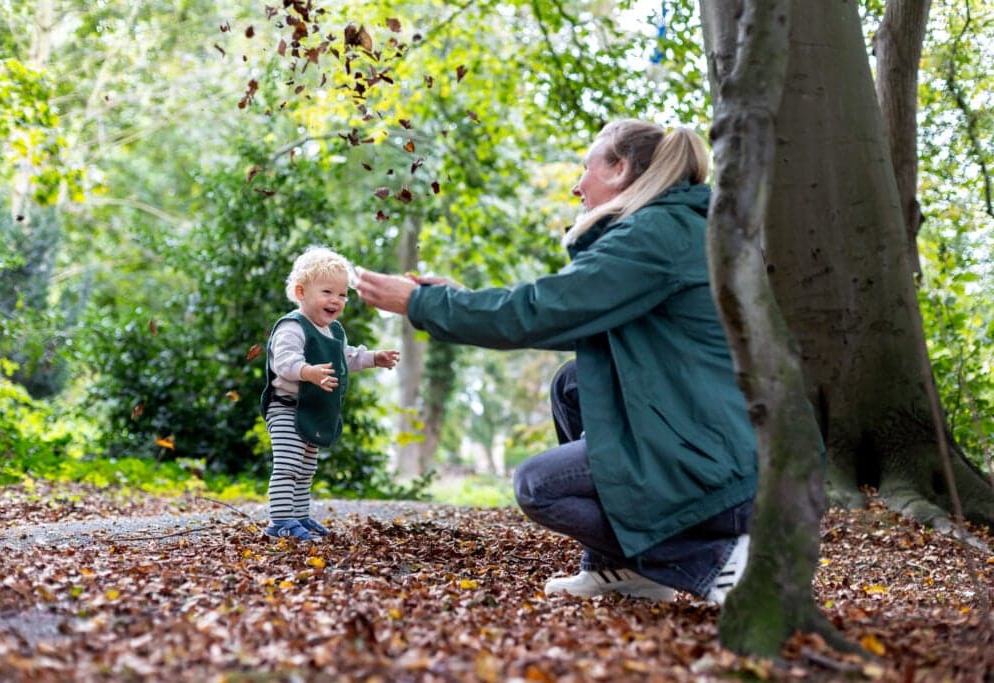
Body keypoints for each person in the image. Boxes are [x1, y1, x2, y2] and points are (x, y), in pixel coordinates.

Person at [354, 119, 756, 604]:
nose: (576, 185)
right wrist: (460, 299)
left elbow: (541, 311)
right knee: (573, 384)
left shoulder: (656, 233)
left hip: (720, 472)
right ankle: (621, 570)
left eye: (586, 167)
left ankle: (716, 562)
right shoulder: (677, 227)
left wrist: (423, 305)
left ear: (619, 169)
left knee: (540, 486)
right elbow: (566, 316)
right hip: (716, 444)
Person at [260, 246, 399, 541]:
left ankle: (299, 516)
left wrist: (374, 358)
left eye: (342, 294)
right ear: (301, 292)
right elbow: (283, 361)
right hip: (286, 406)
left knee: (306, 467)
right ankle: (280, 521)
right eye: (327, 292)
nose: (336, 300)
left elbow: (346, 357)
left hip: (313, 409)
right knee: (288, 465)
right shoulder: (292, 326)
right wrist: (307, 371)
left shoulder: (333, 331)